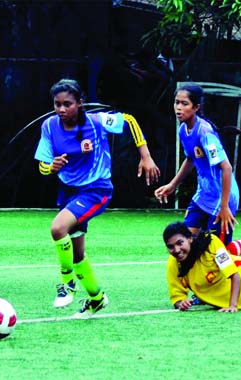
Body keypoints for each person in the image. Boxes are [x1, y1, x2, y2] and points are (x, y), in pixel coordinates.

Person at [34, 78, 160, 317]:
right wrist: (51, 167)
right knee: (77, 253)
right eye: (57, 104)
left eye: (67, 104)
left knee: (57, 228)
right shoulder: (49, 127)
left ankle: (67, 283)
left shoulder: (96, 121)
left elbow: (130, 121)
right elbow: (41, 165)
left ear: (80, 103)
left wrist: (145, 155)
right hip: (69, 191)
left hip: (96, 189)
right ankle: (96, 298)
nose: (62, 109)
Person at [154, 83, 241, 260]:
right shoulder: (183, 130)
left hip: (222, 198)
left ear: (196, 107)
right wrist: (172, 184)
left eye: (184, 104)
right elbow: (191, 158)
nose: (178, 107)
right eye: (176, 102)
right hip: (203, 195)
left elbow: (226, 167)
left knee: (218, 255)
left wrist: (224, 206)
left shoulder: (205, 133)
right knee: (186, 244)